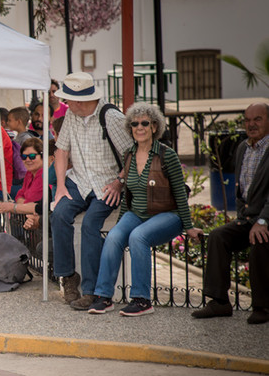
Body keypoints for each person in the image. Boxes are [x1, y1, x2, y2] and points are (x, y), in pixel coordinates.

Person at [87, 104, 192, 316]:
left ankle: (142, 300)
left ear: (154, 127)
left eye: (145, 123)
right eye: (135, 124)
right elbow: (128, 193)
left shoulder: (166, 155)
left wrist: (188, 227)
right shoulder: (129, 154)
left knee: (138, 237)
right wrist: (120, 224)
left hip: (167, 214)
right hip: (137, 214)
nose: (139, 127)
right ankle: (104, 297)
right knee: (114, 237)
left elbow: (181, 193)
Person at [51, 72, 131, 310]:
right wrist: (61, 187)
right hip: (79, 181)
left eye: (69, 100)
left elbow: (131, 154)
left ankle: (92, 290)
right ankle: (68, 276)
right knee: (59, 214)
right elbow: (61, 151)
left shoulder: (112, 117)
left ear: (79, 100)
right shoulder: (71, 116)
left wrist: (119, 182)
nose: (66, 104)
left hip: (107, 184)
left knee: (90, 225)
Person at [190, 103, 269, 325]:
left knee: (260, 242)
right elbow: (241, 188)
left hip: (266, 220)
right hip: (249, 219)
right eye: (247, 120)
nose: (251, 124)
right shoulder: (243, 147)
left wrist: (263, 220)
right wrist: (243, 214)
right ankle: (219, 302)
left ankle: (262, 306)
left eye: (258, 119)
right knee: (218, 236)